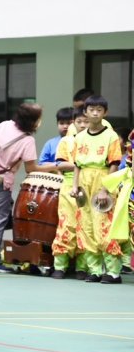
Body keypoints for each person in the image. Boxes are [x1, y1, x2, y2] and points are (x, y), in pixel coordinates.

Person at [0, 103, 59, 273]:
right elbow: (31, 168)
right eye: (39, 119)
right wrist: (54, 165)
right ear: (32, 121)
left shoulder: (2, 125)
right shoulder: (27, 140)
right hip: (0, 181)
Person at [69, 95, 123, 282]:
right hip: (84, 180)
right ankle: (94, 271)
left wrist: (105, 189)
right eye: (91, 109)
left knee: (104, 226)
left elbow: (114, 164)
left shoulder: (111, 136)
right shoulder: (79, 137)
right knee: (86, 226)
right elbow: (76, 164)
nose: (94, 112)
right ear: (85, 112)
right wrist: (75, 186)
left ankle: (113, 272)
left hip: (102, 178)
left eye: (99, 110)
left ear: (105, 113)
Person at [52, 105, 89, 278]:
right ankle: (60, 266)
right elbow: (60, 164)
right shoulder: (66, 141)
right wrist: (80, 165)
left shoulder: (97, 140)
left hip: (89, 185)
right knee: (66, 224)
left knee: (86, 227)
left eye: (85, 121)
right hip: (68, 187)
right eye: (79, 121)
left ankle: (82, 268)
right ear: (74, 122)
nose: (82, 125)